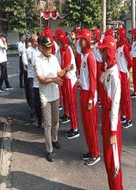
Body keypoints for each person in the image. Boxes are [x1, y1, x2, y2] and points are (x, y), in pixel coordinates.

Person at [35, 36, 72, 162]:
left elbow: (59, 73)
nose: (49, 49)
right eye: (46, 47)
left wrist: (66, 69)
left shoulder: (54, 58)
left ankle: (54, 139)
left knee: (56, 121)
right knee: (48, 124)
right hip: (45, 96)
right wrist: (54, 80)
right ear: (40, 47)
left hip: (55, 94)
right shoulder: (37, 60)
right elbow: (41, 79)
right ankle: (49, 149)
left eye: (50, 47)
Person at [98, 35, 123, 190]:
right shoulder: (107, 70)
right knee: (107, 160)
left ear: (109, 51)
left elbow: (115, 104)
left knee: (113, 160)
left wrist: (112, 130)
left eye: (104, 50)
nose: (101, 53)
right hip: (106, 118)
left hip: (112, 120)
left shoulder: (114, 74)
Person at [76, 29, 101, 166]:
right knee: (86, 125)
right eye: (79, 39)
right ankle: (91, 150)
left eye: (82, 39)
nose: (80, 41)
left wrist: (92, 98)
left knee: (91, 126)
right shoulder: (84, 55)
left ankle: (96, 153)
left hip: (89, 94)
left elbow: (93, 79)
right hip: (83, 92)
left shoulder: (90, 56)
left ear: (87, 40)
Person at [55, 29, 79, 139]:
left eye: (59, 41)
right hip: (64, 78)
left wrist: (60, 72)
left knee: (72, 104)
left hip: (69, 79)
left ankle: (75, 128)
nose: (58, 43)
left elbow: (66, 67)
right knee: (67, 102)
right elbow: (59, 64)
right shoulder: (60, 50)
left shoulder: (68, 50)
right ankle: (68, 117)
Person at [116, 27, 133, 129]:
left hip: (124, 74)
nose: (116, 36)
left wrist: (126, 70)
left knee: (126, 97)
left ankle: (129, 118)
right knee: (121, 96)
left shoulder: (124, 48)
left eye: (118, 34)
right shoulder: (118, 47)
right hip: (119, 74)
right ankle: (123, 115)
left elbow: (130, 62)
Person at [92, 28, 103, 106]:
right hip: (96, 64)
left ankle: (101, 99)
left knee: (100, 83)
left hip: (99, 64)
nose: (93, 35)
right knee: (97, 83)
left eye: (95, 34)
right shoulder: (95, 44)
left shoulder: (99, 44)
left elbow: (103, 54)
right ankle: (99, 97)